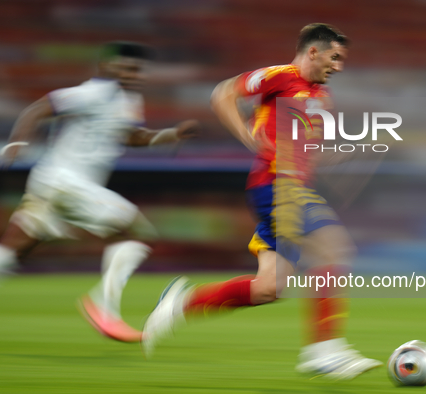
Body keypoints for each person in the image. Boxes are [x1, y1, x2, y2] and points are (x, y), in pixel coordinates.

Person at [141, 24, 381, 380]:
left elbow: (307, 152)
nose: (340, 67)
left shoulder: (321, 97)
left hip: (291, 187)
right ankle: (324, 350)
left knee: (267, 288)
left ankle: (180, 303)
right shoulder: (279, 77)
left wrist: (345, 154)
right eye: (335, 57)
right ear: (313, 52)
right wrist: (249, 138)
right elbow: (223, 93)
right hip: (274, 186)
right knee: (333, 248)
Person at [0, 41, 199, 343]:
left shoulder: (127, 100)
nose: (132, 74)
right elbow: (39, 108)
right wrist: (17, 142)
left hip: (52, 185)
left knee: (10, 253)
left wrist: (170, 134)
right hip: (64, 183)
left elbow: (131, 136)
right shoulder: (92, 92)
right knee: (135, 231)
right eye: (125, 67)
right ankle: (104, 307)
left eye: (137, 69)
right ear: (105, 67)